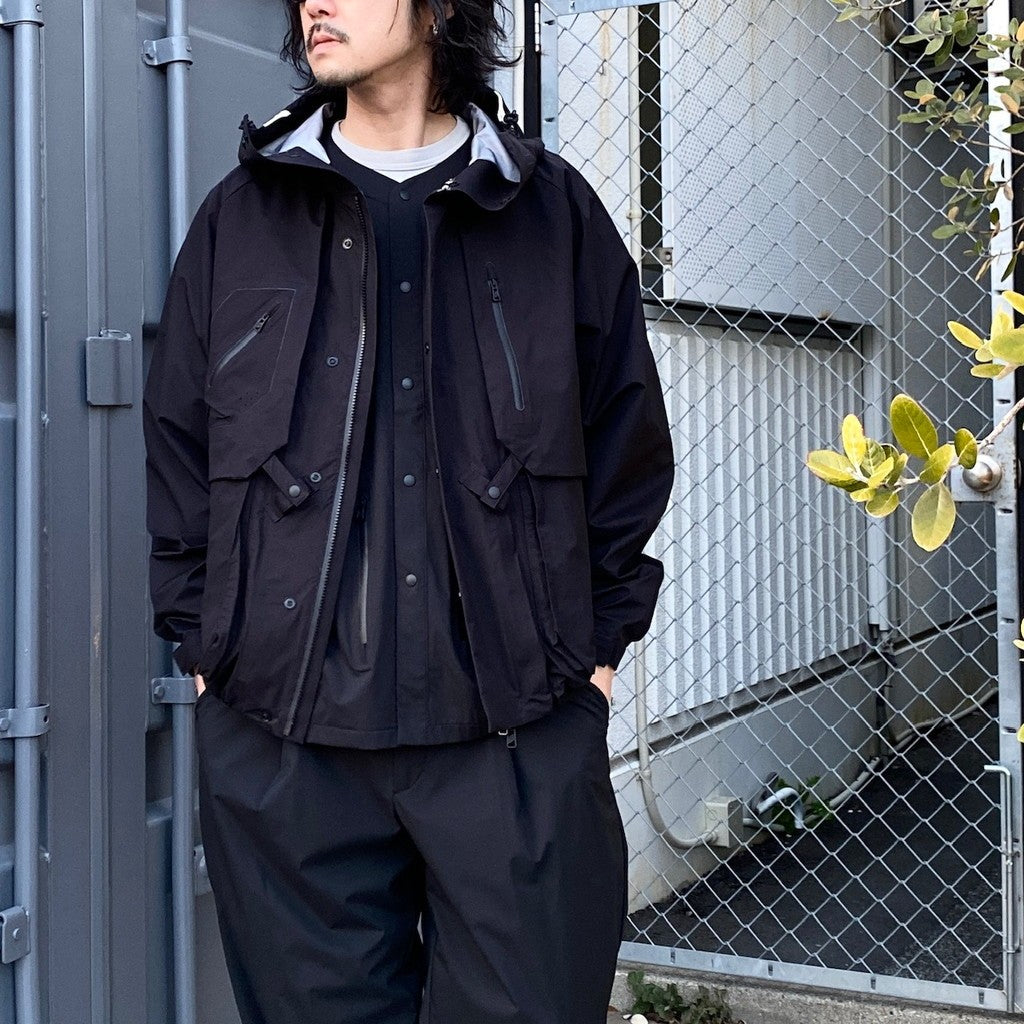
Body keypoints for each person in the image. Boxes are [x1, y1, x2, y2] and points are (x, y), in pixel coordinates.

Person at [142, 0, 674, 1021]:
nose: (315, 4)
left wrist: (594, 655)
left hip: (513, 733)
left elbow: (625, 442)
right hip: (286, 741)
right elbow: (180, 442)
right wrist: (206, 645)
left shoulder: (550, 214)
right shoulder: (243, 216)